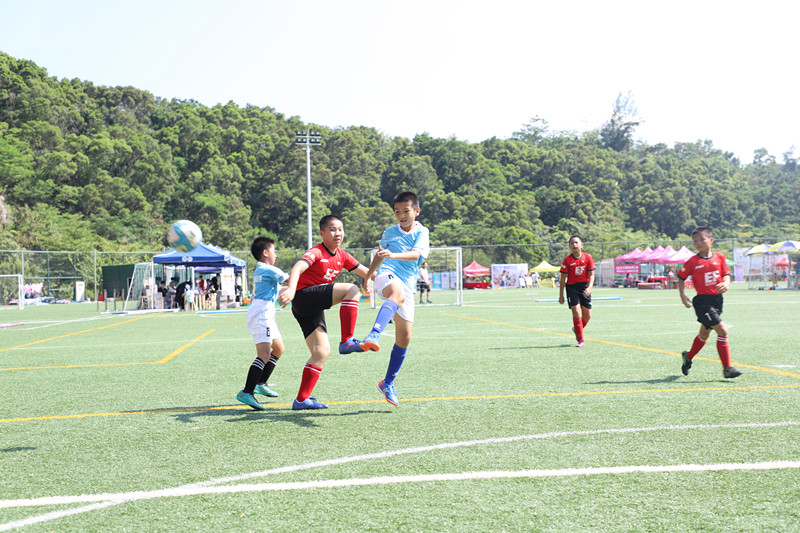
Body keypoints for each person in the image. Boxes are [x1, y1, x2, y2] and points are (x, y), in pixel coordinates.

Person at [278, 215, 371, 410]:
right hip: (304, 297)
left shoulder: (343, 256)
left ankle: (301, 400)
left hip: (310, 308)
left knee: (321, 352)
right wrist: (292, 290)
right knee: (351, 290)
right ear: (322, 233)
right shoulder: (317, 252)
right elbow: (297, 268)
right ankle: (347, 340)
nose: (338, 233)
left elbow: (368, 272)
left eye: (340, 229)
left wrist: (376, 280)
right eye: (332, 229)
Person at [358, 191, 430, 406]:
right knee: (396, 294)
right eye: (397, 212)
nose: (401, 216)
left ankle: (387, 383)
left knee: (404, 338)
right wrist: (368, 276)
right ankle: (374, 334)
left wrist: (393, 254)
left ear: (416, 211)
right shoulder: (389, 232)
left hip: (407, 283)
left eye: (406, 211)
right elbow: (380, 255)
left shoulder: (422, 232)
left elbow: (416, 255)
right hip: (387, 275)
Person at [677, 226, 741, 379]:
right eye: (695, 241)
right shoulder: (693, 261)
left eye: (702, 240)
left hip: (717, 300)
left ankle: (688, 357)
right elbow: (681, 277)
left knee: (704, 334)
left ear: (711, 240)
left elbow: (726, 274)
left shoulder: (720, 257)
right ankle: (727, 368)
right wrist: (683, 296)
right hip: (702, 302)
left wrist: (726, 283)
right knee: (723, 331)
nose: (698, 243)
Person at [236, 237, 290, 410]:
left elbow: (280, 289)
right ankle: (247, 392)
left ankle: (260, 383)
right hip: (262, 314)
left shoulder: (262, 270)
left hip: (265, 312)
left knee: (279, 349)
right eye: (274, 251)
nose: (276, 255)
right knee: (264, 354)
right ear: (266, 253)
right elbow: (290, 280)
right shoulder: (269, 269)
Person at [558, 235, 595, 348]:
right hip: (572, 288)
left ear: (581, 245)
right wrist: (561, 295)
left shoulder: (588, 257)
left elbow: (592, 274)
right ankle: (580, 339)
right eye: (572, 243)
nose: (574, 245)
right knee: (576, 311)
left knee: (587, 316)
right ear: (569, 246)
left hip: (584, 287)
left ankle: (577, 329)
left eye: (576, 242)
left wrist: (589, 288)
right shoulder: (567, 260)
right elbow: (563, 279)